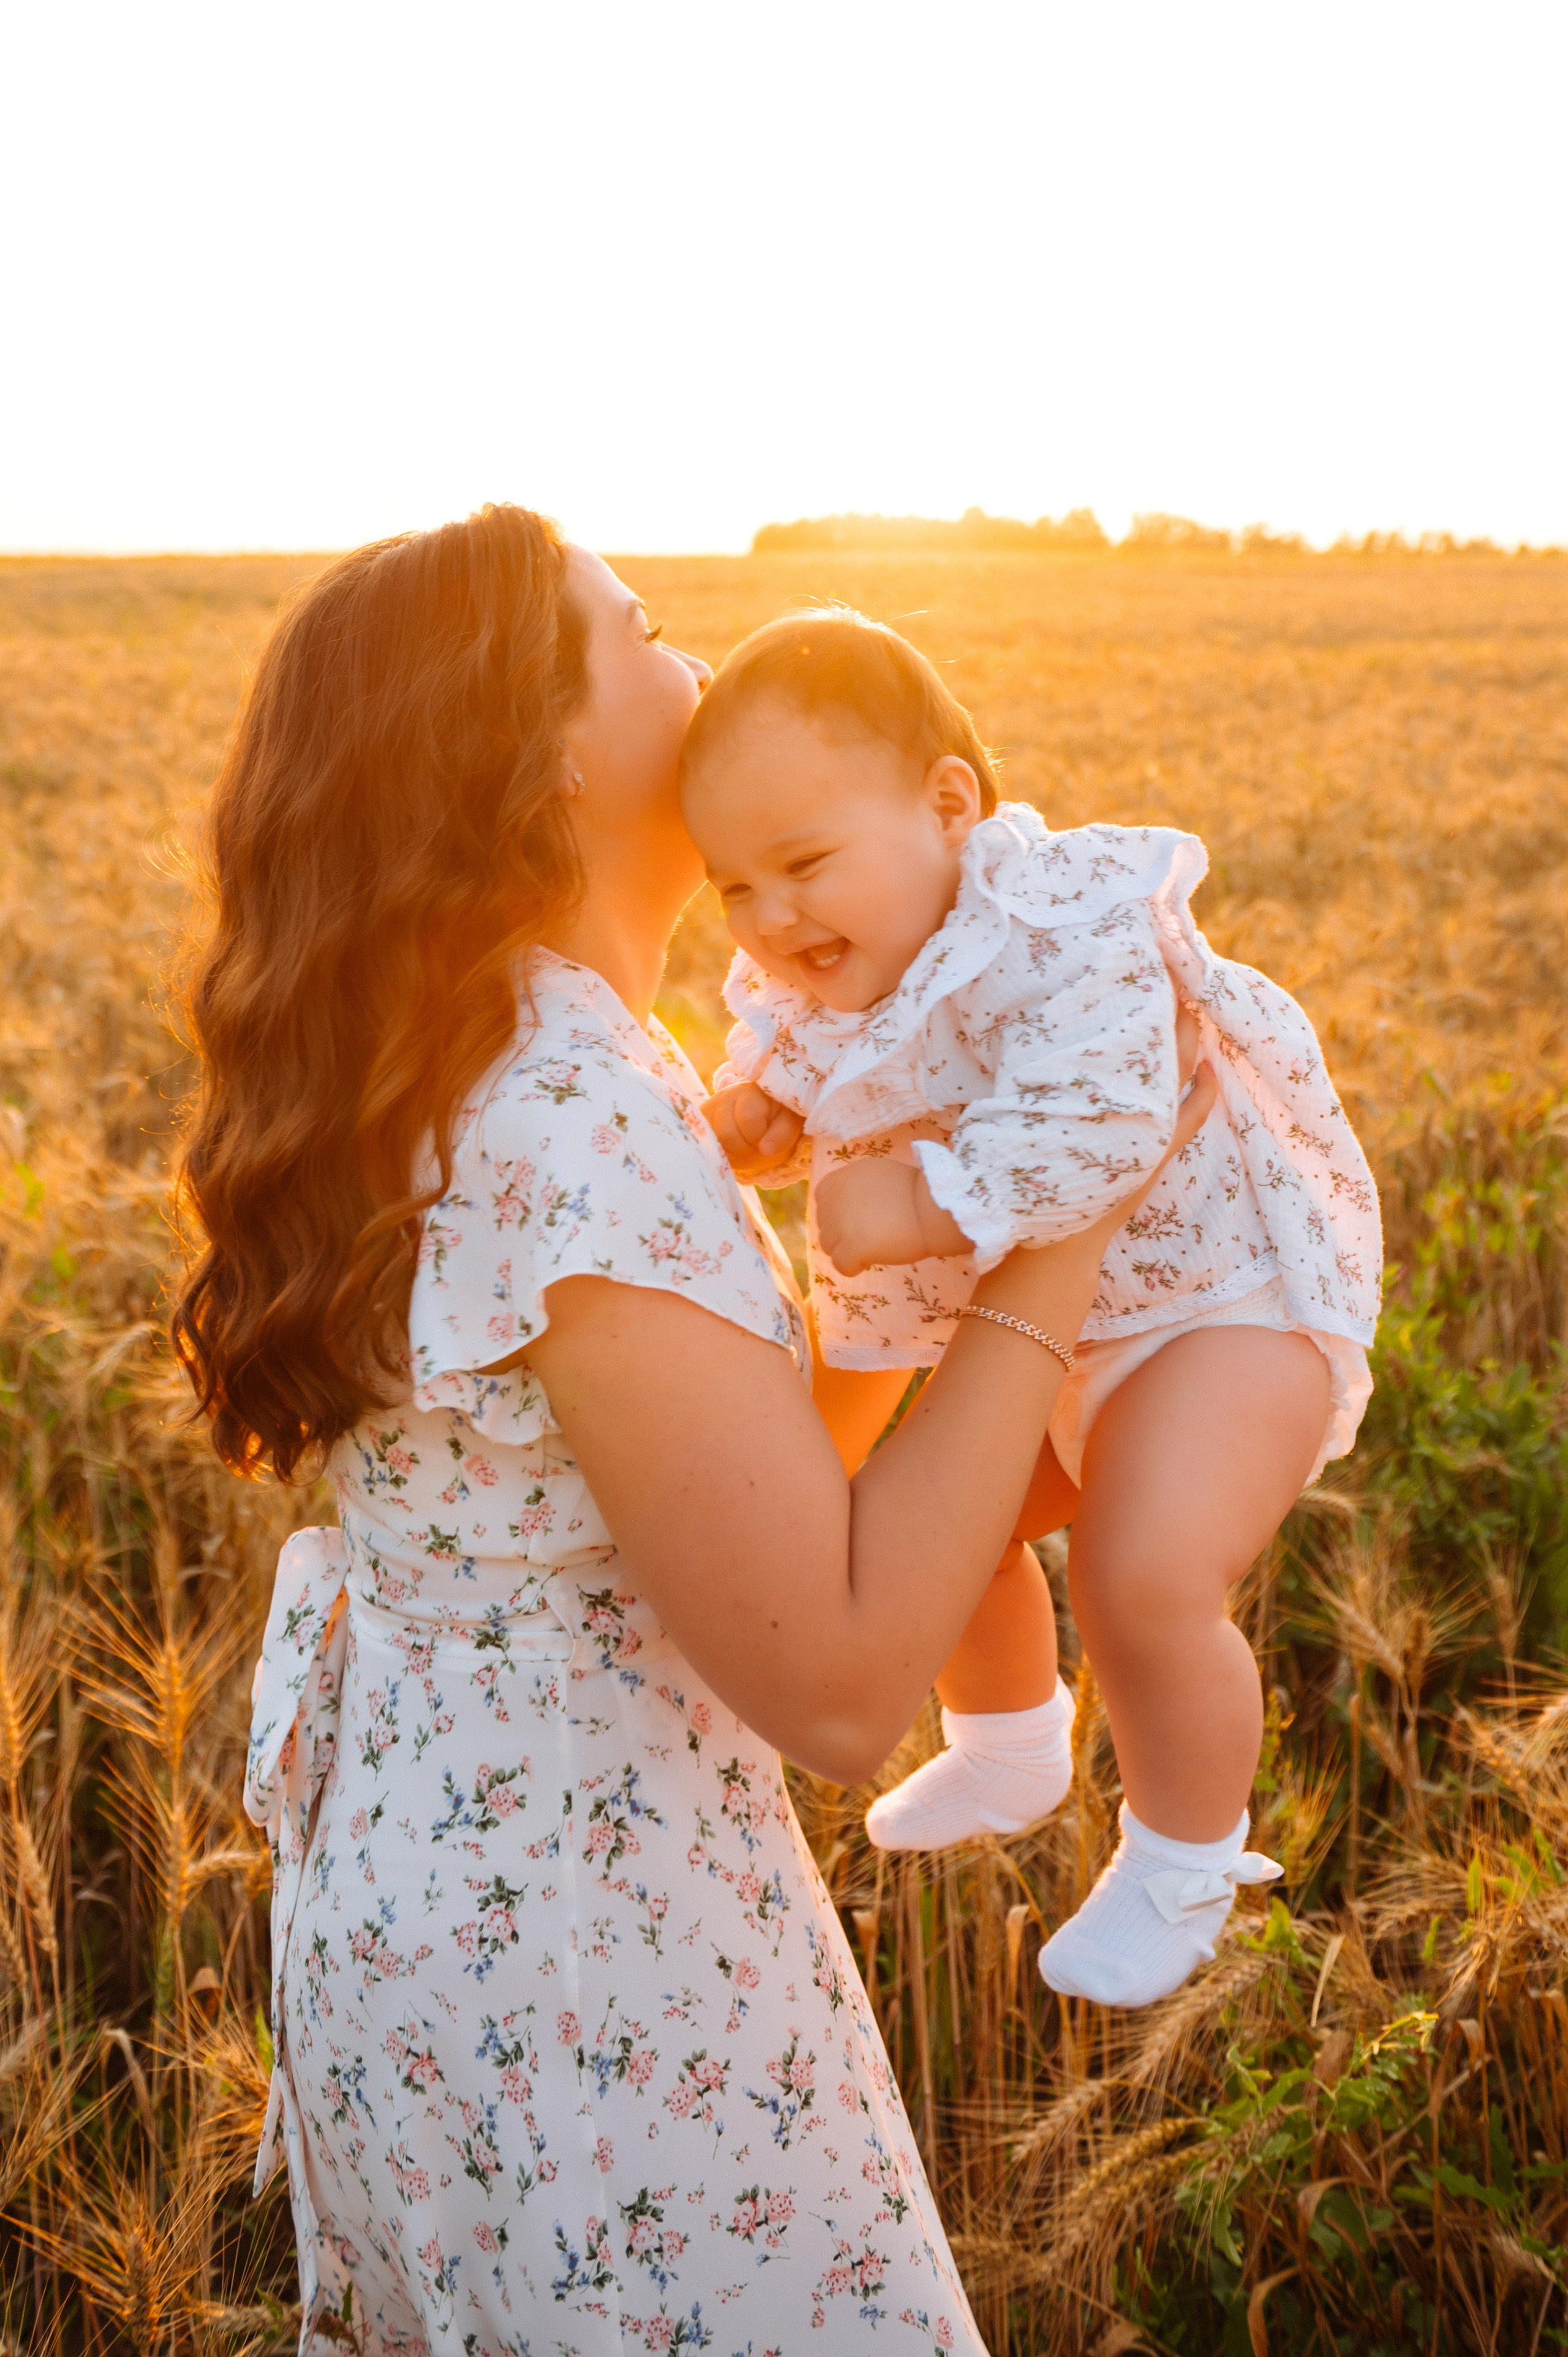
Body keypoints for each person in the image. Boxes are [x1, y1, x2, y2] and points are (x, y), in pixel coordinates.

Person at [173, 505, 1212, 2356]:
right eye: (638, 629)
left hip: (455, 1901)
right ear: (548, 750)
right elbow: (827, 1684)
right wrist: (1067, 1223)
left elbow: (755, 1482)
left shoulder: (505, 1055)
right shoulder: (573, 1113)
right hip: (590, 1955)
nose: (696, 658)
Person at [682, 607, 1381, 2009]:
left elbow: (1108, 1126)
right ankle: (1007, 1740)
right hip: (1076, 1337)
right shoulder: (841, 950)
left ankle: (1184, 1857)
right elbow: (797, 1048)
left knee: (1140, 1575)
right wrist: (760, 1109)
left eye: (803, 865)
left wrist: (913, 1207)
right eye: (731, 886)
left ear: (948, 806)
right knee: (934, 1535)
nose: (769, 920)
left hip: (1216, 1315)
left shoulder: (1065, 923)